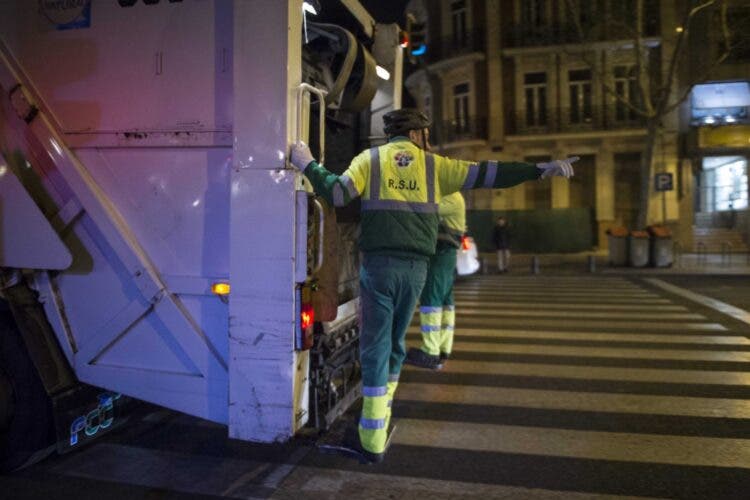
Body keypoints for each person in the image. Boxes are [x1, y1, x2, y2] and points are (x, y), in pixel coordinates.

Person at [290, 108, 576, 463]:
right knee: (394, 343)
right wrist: (538, 170)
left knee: (375, 348)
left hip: (380, 269)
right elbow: (490, 173)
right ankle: (383, 414)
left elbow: (335, 194)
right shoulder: (436, 167)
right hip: (416, 270)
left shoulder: (370, 159)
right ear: (416, 134)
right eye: (426, 134)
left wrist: (306, 164)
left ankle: (371, 439)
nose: (429, 140)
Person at [405, 191, 466, 370]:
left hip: (441, 255)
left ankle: (429, 352)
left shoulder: (452, 197)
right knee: (446, 303)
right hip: (445, 255)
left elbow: (426, 211)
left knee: (431, 300)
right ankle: (442, 348)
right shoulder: (452, 195)